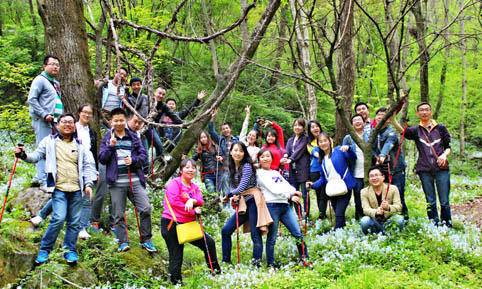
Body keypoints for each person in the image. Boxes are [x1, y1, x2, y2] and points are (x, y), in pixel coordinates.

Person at [15, 113, 96, 265]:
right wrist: (23, 155)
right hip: (58, 188)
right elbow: (35, 157)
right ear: (58, 125)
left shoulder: (80, 145)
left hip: (76, 189)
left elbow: (87, 166)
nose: (67, 125)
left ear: (74, 126)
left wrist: (88, 184)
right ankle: (44, 250)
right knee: (58, 218)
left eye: (71, 122)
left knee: (74, 222)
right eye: (64, 122)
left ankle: (69, 250)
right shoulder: (49, 141)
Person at [29, 105, 99, 240]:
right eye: (84, 112)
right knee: (60, 194)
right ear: (79, 113)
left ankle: (81, 228)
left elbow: (91, 153)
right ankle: (42, 216)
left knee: (85, 197)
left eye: (90, 113)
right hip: (66, 168)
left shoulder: (92, 132)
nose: (87, 115)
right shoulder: (72, 127)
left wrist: (93, 170)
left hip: (83, 167)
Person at [98, 108, 157, 252]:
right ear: (111, 122)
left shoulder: (133, 136)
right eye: (116, 120)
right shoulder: (107, 138)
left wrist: (134, 160)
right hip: (117, 182)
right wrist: (111, 147)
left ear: (126, 120)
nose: (119, 123)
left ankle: (146, 240)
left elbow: (143, 156)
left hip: (135, 180)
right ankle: (122, 242)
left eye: (121, 120)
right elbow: (102, 159)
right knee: (118, 214)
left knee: (145, 208)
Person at [161, 159, 221, 284]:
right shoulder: (174, 183)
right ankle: (176, 282)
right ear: (181, 169)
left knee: (208, 243)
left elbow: (200, 201)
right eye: (187, 167)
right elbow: (175, 203)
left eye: (193, 167)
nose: (190, 170)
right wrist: (194, 211)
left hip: (188, 225)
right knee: (176, 254)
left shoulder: (194, 187)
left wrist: (192, 201)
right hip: (171, 224)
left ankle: (216, 273)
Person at [221, 142, 271, 266]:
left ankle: (256, 263)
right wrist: (234, 197)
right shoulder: (232, 168)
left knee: (255, 234)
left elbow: (242, 186)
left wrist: (228, 195)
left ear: (244, 153)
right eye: (235, 150)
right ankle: (226, 261)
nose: (238, 153)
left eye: (241, 151)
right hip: (243, 203)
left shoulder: (247, 166)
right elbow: (235, 187)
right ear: (231, 152)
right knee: (226, 230)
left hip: (253, 201)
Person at [256, 149, 308, 267]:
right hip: (272, 206)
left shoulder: (275, 172)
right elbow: (272, 188)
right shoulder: (259, 173)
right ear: (259, 159)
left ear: (272, 158)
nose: (265, 158)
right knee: (272, 237)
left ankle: (305, 259)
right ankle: (271, 264)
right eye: (262, 156)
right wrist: (289, 196)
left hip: (285, 206)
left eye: (268, 156)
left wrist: (295, 192)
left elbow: (285, 185)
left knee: (297, 233)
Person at [404, 102, 452, 227]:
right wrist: (392, 119)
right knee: (430, 200)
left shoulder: (440, 128)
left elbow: (448, 147)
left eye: (426, 110)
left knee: (444, 200)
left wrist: (444, 155)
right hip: (424, 169)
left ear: (430, 112)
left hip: (441, 168)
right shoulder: (415, 130)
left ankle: (447, 225)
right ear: (417, 113)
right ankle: (434, 225)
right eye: (421, 110)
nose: (424, 112)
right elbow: (403, 132)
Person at [27, 55, 63, 188]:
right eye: (52, 64)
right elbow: (32, 99)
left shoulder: (55, 83)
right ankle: (41, 179)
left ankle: (44, 176)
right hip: (43, 120)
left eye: (57, 65)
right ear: (44, 66)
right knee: (43, 147)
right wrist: (44, 114)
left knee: (51, 148)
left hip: (54, 121)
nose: (55, 67)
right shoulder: (40, 80)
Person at [309, 132, 356, 229]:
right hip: (332, 189)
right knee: (338, 214)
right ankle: (342, 234)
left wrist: (349, 149)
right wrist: (312, 185)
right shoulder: (322, 160)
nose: (323, 143)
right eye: (320, 142)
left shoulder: (339, 150)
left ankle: (336, 234)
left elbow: (353, 157)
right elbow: (323, 178)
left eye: (325, 141)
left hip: (344, 186)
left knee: (339, 213)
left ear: (330, 141)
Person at [371, 107, 408, 220]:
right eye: (379, 115)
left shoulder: (391, 131)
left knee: (398, 195)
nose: (381, 117)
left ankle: (403, 219)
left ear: (388, 119)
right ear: (375, 118)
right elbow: (370, 148)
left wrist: (382, 155)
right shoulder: (373, 132)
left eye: (384, 115)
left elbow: (389, 143)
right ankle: (386, 220)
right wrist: (376, 157)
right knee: (384, 197)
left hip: (395, 169)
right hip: (381, 171)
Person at [360, 166, 404, 234]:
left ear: (383, 177)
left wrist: (388, 207)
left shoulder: (393, 188)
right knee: (364, 221)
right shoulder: (364, 191)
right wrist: (376, 212)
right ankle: (373, 237)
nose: (374, 178)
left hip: (389, 219)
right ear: (369, 179)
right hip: (374, 221)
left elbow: (399, 207)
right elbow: (365, 209)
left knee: (399, 219)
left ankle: (391, 236)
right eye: (371, 176)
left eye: (376, 175)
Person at [208, 109, 240, 196]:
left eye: (227, 128)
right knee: (222, 190)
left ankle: (232, 207)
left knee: (234, 189)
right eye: (223, 129)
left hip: (235, 168)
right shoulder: (220, 140)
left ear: (230, 129)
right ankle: (224, 208)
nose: (225, 130)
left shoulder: (236, 140)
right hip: (223, 169)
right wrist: (212, 117)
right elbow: (211, 131)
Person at [283, 119, 310, 216]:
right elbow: (287, 151)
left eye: (300, 125)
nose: (297, 127)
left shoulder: (305, 138)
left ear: (303, 127)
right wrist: (285, 156)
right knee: (294, 192)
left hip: (303, 170)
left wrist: (290, 159)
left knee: (304, 193)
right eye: (295, 125)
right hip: (292, 171)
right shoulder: (290, 140)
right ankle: (299, 215)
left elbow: (299, 150)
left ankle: (306, 216)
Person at [342, 114, 366, 220]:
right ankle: (359, 218)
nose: (357, 122)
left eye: (359, 119)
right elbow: (343, 155)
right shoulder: (348, 138)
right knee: (358, 196)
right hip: (355, 172)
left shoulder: (369, 135)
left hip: (369, 171)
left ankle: (371, 216)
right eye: (355, 120)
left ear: (364, 122)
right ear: (352, 124)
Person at [307, 120, 327, 219]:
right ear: (310, 130)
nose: (315, 128)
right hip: (315, 170)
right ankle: (322, 214)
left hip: (327, 168)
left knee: (325, 193)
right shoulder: (309, 144)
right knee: (319, 193)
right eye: (312, 127)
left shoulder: (328, 139)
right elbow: (316, 154)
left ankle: (322, 214)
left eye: (317, 126)